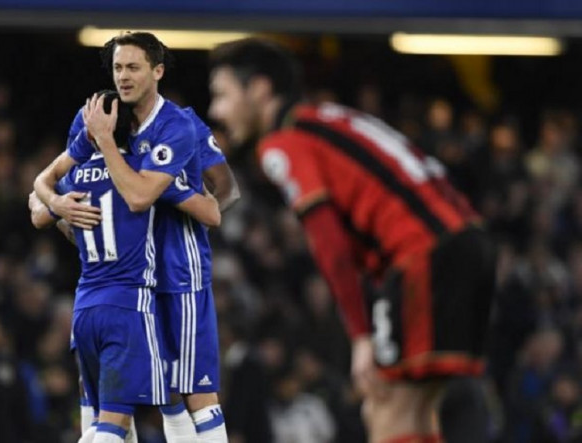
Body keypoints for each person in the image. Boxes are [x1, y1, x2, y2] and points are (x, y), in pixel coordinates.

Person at [208, 38, 495, 443]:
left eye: (222, 94)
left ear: (259, 89)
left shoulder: (284, 141)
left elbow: (328, 242)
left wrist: (360, 335)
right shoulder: (328, 119)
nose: (215, 110)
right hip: (467, 245)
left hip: (423, 255)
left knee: (383, 404)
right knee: (416, 406)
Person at [34, 32, 237, 442]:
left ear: (156, 72)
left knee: (190, 386)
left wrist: (184, 197)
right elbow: (42, 192)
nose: (123, 76)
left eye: (133, 67)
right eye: (117, 67)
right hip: (126, 282)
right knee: (146, 394)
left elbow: (224, 192)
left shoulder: (180, 125)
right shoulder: (97, 116)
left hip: (178, 272)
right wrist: (61, 207)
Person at [30, 142, 221, 443]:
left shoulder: (76, 174)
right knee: (142, 409)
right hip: (130, 306)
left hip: (85, 305)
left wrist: (63, 210)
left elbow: (37, 209)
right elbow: (212, 212)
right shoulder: (144, 172)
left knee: (97, 408)